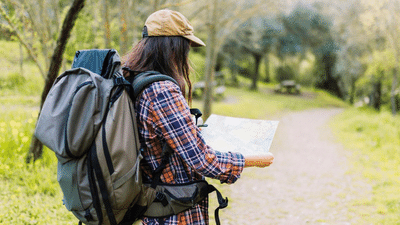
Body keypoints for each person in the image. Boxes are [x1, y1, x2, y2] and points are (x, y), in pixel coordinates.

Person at [122, 9, 274, 225]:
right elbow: (202, 160)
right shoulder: (162, 91)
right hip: (174, 213)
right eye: (186, 47)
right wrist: (252, 159)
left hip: (156, 208)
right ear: (173, 47)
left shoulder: (133, 77)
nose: (186, 56)